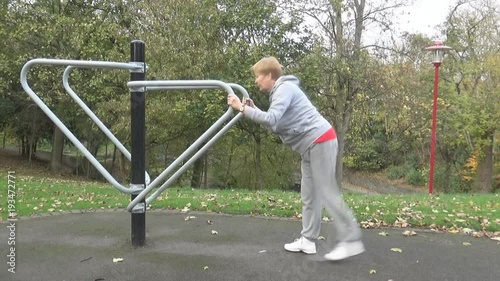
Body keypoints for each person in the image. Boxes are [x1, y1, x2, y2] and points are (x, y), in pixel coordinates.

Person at [226, 56, 364, 261]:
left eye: (258, 76)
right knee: (309, 195)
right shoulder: (280, 92)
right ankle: (308, 241)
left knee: (326, 192)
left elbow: (272, 119)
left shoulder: (284, 90)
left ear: (269, 75)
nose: (256, 81)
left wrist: (242, 108)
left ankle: (351, 239)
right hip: (309, 146)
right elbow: (275, 123)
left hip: (320, 140)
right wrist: (253, 109)